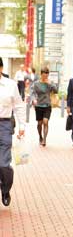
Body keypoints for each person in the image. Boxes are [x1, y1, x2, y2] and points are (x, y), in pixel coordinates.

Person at [0, 57, 26, 207]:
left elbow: (19, 106)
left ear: (1, 68)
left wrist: (22, 126)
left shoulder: (10, 85)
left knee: (3, 164)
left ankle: (5, 188)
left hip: (4, 125)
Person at [31, 67, 58, 146]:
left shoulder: (50, 82)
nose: (45, 77)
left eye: (47, 75)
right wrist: (33, 100)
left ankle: (44, 140)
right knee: (39, 123)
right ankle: (40, 136)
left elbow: (56, 91)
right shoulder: (36, 84)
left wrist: (50, 84)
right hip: (39, 105)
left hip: (47, 105)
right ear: (41, 74)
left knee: (45, 122)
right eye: (44, 75)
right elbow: (32, 92)